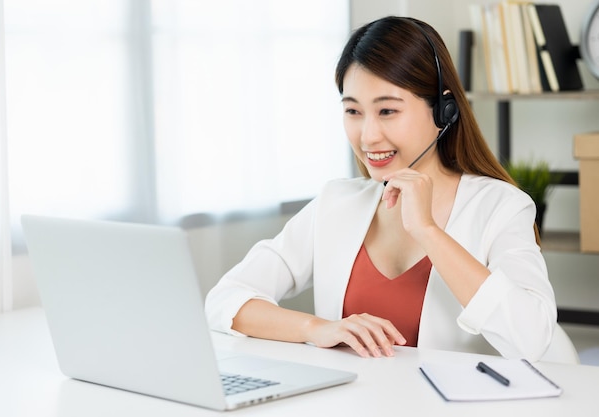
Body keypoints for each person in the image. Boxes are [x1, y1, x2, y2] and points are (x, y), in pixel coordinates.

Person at [205, 16, 556, 362]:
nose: (368, 135)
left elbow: (532, 339)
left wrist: (428, 231)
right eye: (353, 111)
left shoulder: (501, 206)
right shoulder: (336, 202)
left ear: (443, 111)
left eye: (387, 110)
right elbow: (225, 300)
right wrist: (317, 328)